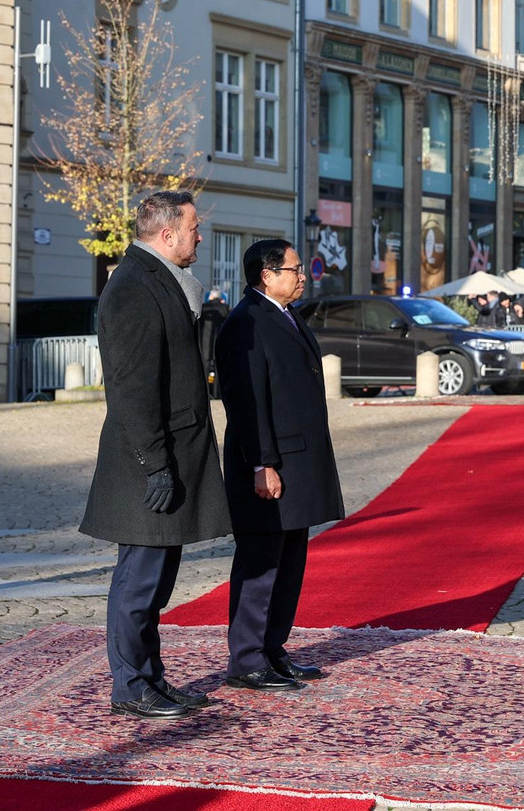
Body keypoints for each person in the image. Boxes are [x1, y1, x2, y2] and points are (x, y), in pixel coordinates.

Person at [80, 191, 232, 720]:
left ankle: (151, 678)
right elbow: (132, 388)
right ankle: (131, 685)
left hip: (169, 455)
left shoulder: (158, 280)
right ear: (167, 234)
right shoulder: (133, 286)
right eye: (193, 228)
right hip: (147, 463)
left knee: (157, 580)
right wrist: (156, 464)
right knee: (139, 579)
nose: (199, 237)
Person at [215, 239, 346, 691]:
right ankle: (246, 659)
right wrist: (261, 464)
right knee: (261, 563)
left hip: (297, 461)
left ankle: (272, 649)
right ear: (267, 275)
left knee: (289, 563)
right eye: (294, 269)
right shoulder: (245, 322)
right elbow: (246, 401)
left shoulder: (284, 314)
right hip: (270, 465)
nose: (302, 275)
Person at [199, 288, 230, 399]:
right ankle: (217, 393)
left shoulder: (204, 309)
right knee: (218, 370)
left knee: (204, 369)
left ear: (211, 297)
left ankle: (206, 393)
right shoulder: (224, 309)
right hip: (219, 344)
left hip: (205, 344)